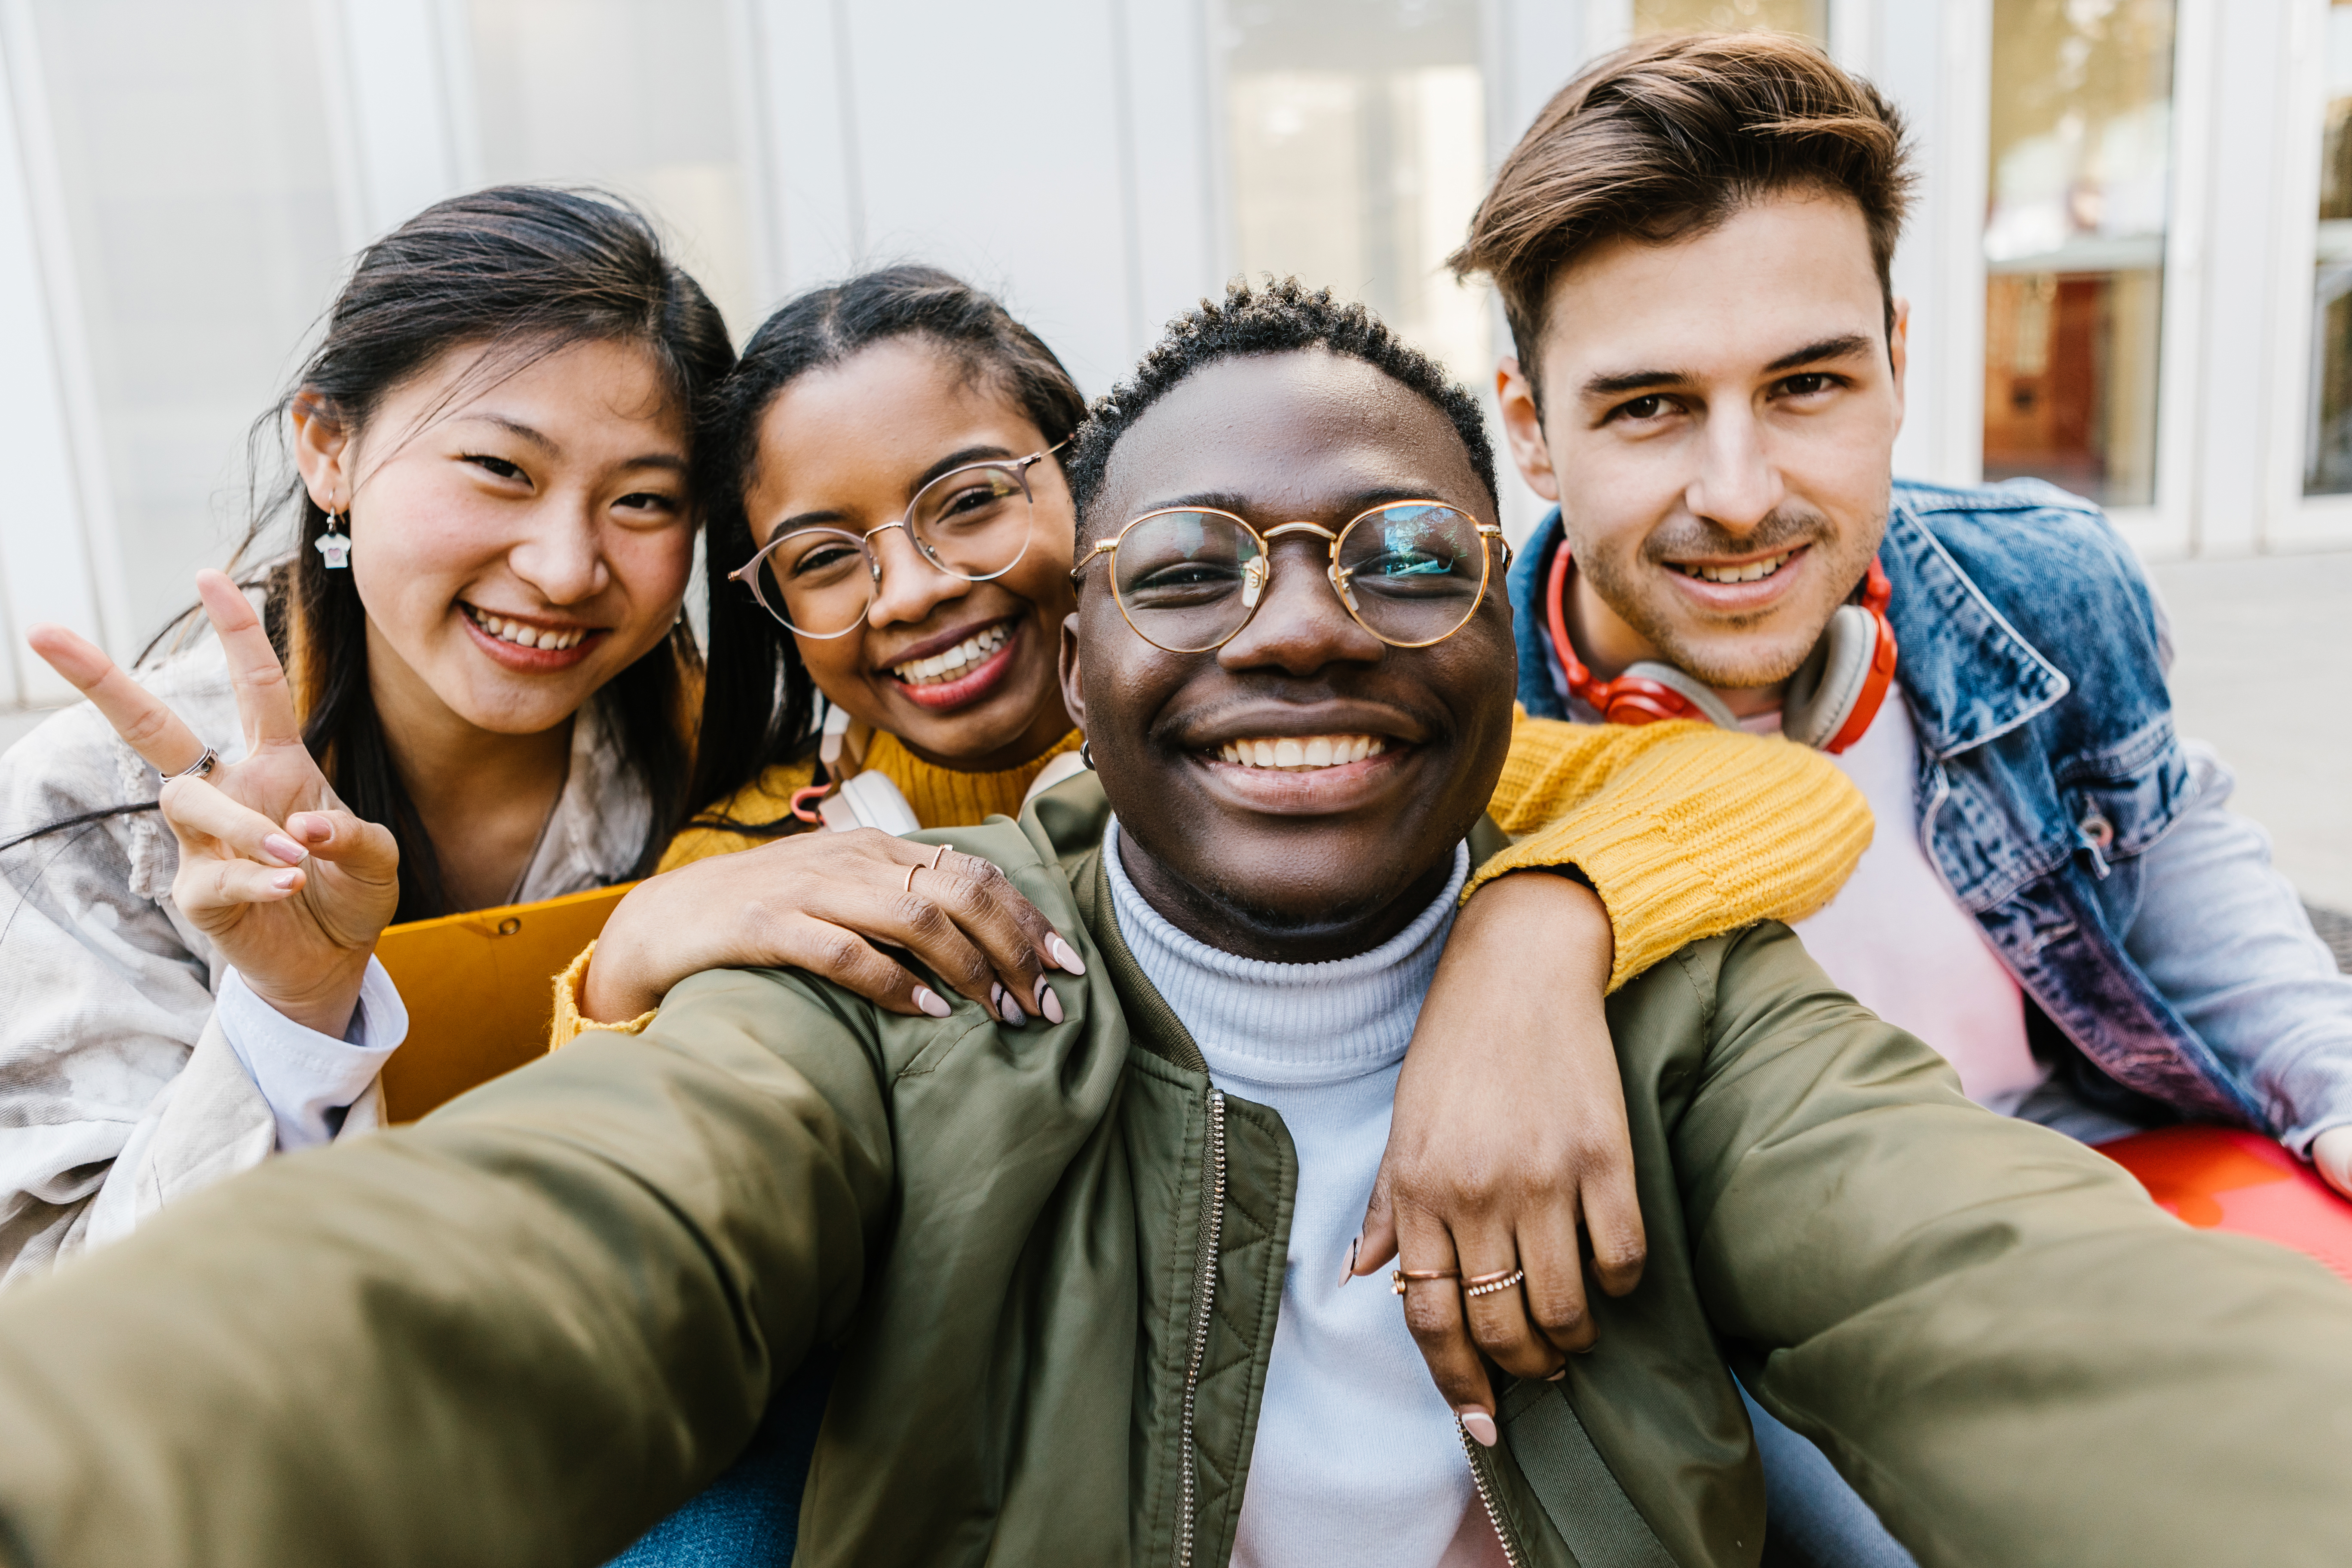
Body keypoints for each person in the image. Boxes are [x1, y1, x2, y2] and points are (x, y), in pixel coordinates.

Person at [5, 285, 2350, 1568]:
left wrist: (1541, 939)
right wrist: (609, 963)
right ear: (1104, 628)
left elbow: (2000, 1285)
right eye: (1202, 571)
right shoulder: (849, 917)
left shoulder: (1622, 900)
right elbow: (559, 1245)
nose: (1297, 628)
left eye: (1404, 562)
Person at [1449, 32, 2352, 1563]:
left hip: (2105, 1150)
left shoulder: (2036, 585)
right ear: (1530, 429)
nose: (1739, 492)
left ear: (1899, 364)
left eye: (1805, 384)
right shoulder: (1453, 730)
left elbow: (2186, 870)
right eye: (1650, 406)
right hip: (1757, 1296)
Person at [0, 187, 732, 1282]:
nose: (567, 567)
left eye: (643, 501)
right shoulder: (107, 807)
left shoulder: (720, 765)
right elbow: (58, 1314)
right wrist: (290, 1012)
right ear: (328, 448)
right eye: (501, 470)